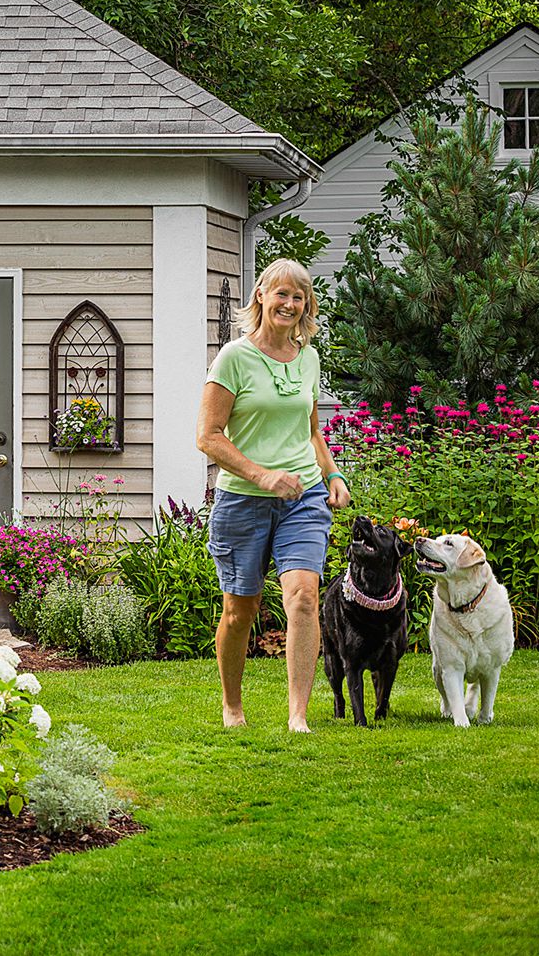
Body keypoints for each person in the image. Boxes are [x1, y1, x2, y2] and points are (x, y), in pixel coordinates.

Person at [196, 259, 349, 731]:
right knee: (240, 609)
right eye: (280, 293)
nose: (289, 303)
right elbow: (209, 435)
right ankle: (232, 706)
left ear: (306, 306)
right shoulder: (233, 357)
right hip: (243, 499)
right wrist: (262, 476)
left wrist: (333, 474)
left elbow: (311, 430)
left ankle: (298, 716)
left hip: (302, 497)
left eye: (298, 296)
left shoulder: (308, 357)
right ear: (261, 295)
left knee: (304, 596)